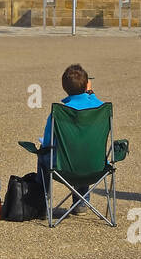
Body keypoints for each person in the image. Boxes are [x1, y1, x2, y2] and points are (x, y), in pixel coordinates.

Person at [36, 65, 103, 212]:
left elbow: (47, 142)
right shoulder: (100, 109)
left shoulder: (60, 113)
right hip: (96, 165)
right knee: (84, 148)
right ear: (87, 85)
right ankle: (81, 202)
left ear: (64, 87)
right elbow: (96, 101)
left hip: (65, 167)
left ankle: (42, 203)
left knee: (43, 153)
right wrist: (89, 91)